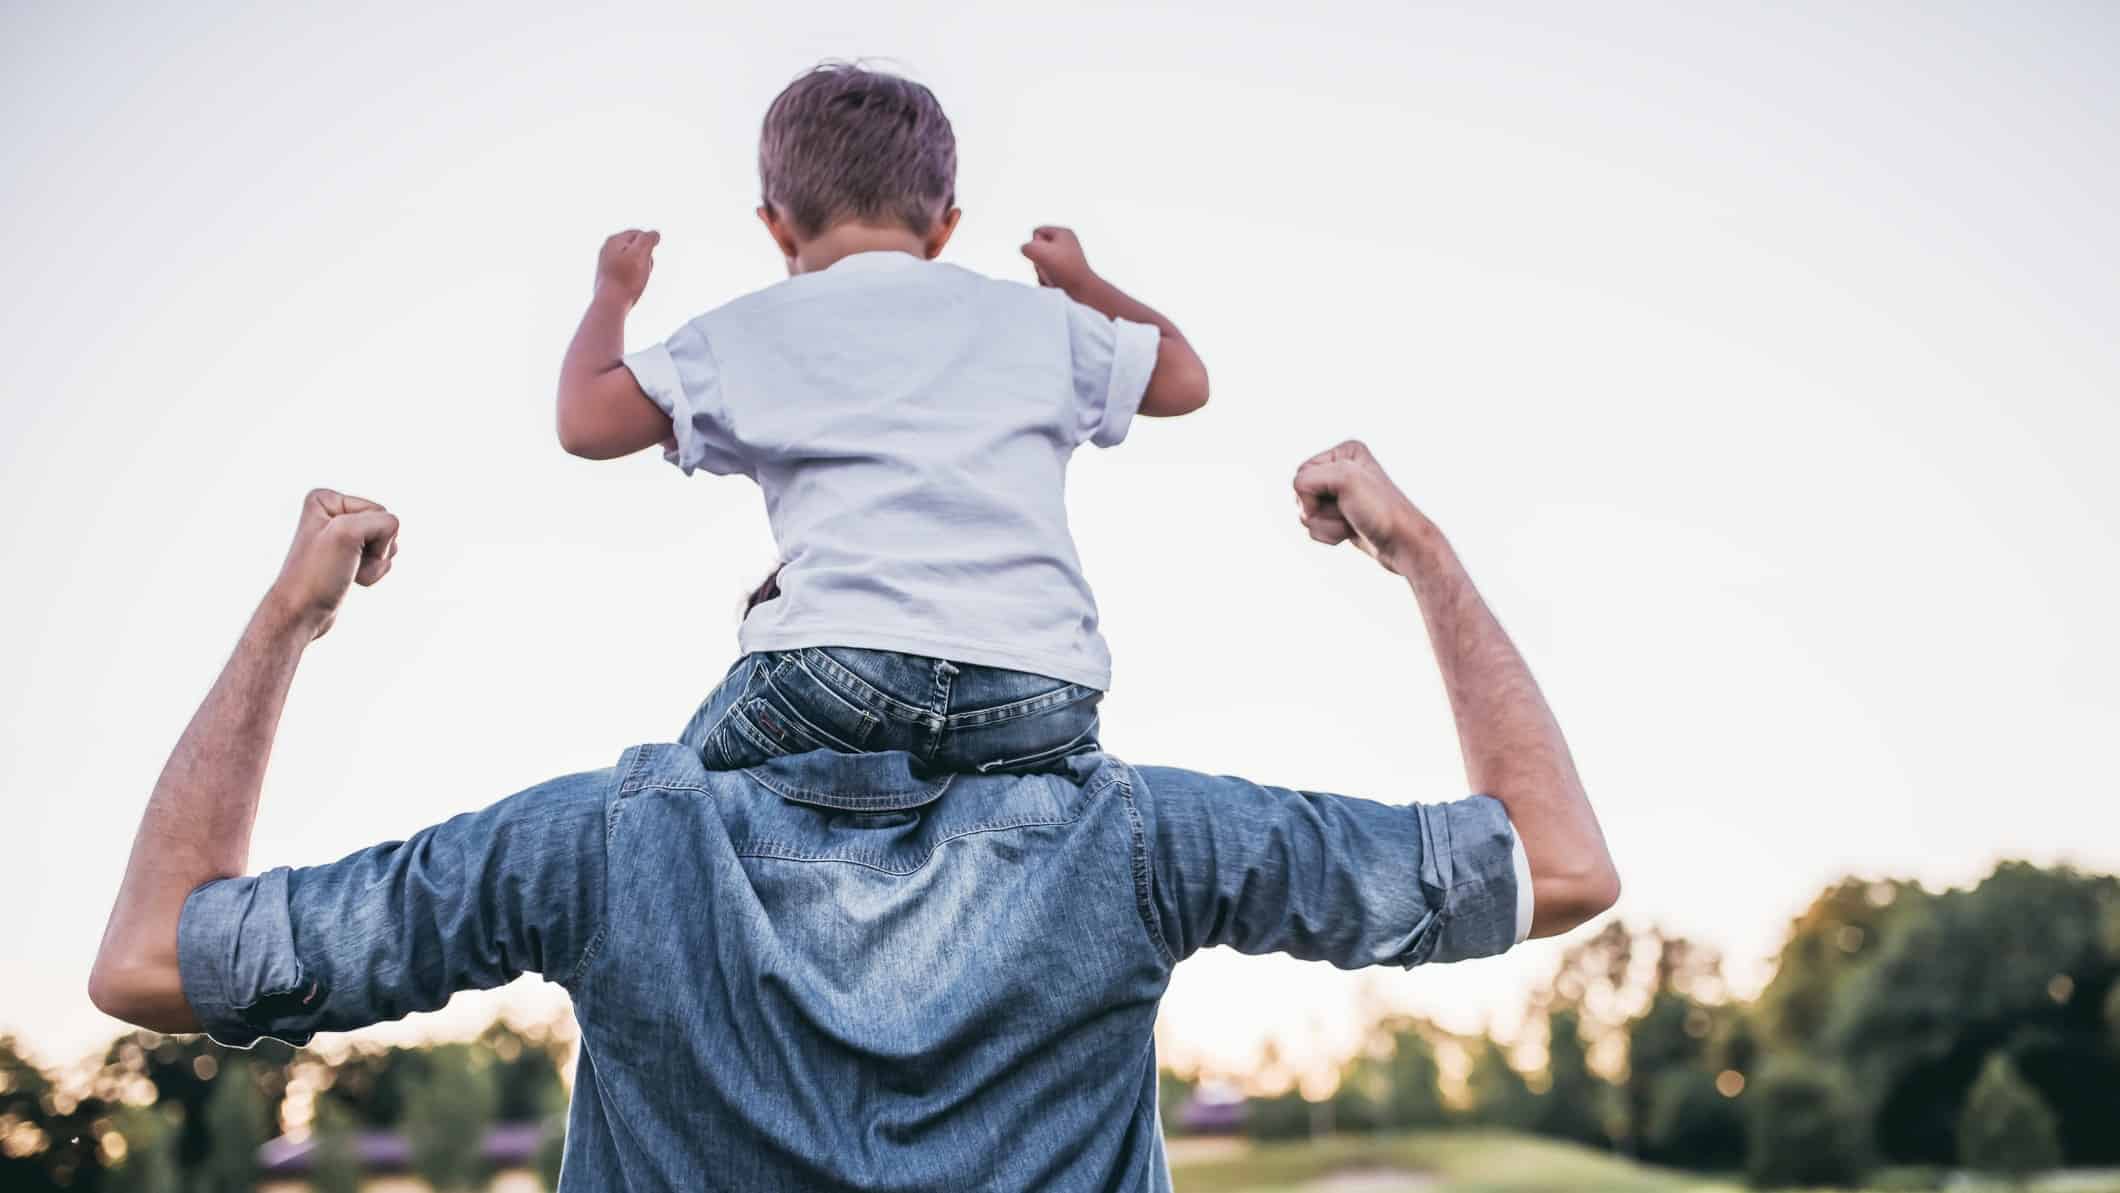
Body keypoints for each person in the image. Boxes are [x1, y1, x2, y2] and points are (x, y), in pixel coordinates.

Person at [88, 441, 1619, 1192]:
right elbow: (1557, 864)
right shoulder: (1138, 842)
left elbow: (155, 959)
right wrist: (1419, 554)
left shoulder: (605, 848)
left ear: (764, 632)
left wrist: (287, 621)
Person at [553, 62, 1211, 775]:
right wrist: (1082, 283)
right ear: (945, 227)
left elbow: (585, 420)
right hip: (1041, 688)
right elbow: (1185, 378)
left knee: (669, 798)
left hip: (840, 673)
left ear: (776, 227)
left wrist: (612, 294)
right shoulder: (1039, 321)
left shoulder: (752, 330)